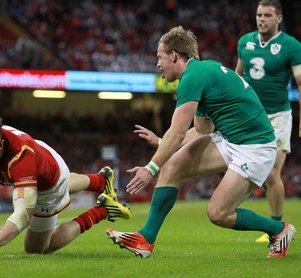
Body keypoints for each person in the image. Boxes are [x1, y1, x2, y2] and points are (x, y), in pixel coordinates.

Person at [106, 26, 296, 259]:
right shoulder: (202, 71)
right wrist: (162, 142)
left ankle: (279, 230)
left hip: (255, 147)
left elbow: (178, 133)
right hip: (232, 139)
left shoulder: (192, 77)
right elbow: (202, 129)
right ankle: (146, 239)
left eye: (160, 57)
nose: (158, 64)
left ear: (174, 55)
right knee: (172, 166)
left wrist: (150, 169)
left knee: (218, 214)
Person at [0, 113, 132, 254]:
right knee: (65, 183)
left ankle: (103, 209)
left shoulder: (21, 156)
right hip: (41, 155)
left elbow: (23, 213)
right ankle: (102, 179)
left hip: (47, 181)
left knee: (37, 249)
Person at [235, 0, 301, 243]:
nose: (261, 19)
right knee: (253, 171)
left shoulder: (291, 46)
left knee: (272, 173)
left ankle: (276, 226)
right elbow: (238, 78)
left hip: (278, 116)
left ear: (279, 19)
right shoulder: (245, 42)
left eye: (267, 15)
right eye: (259, 15)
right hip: (251, 115)